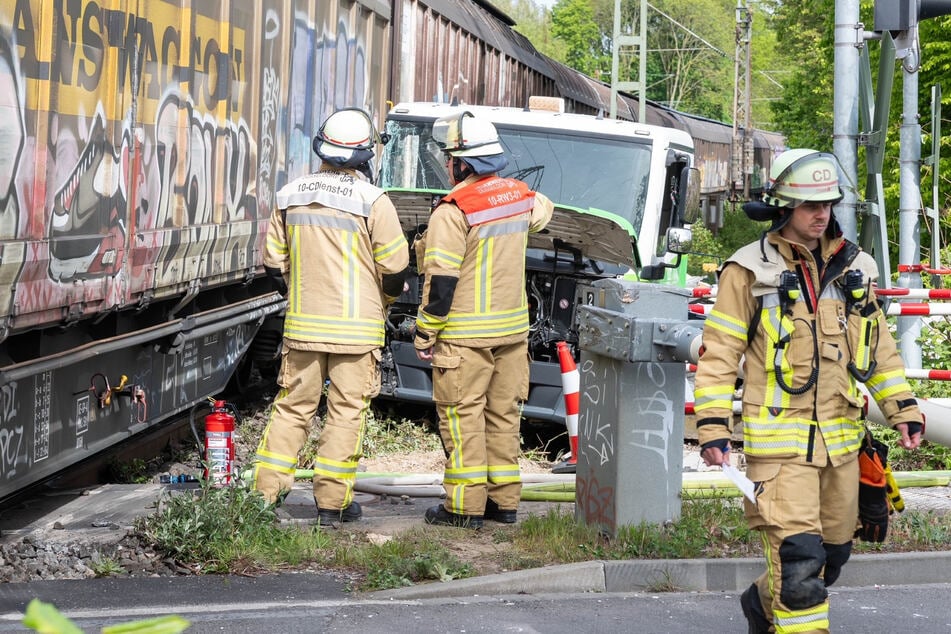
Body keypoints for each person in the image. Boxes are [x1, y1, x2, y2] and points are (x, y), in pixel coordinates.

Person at [693, 149, 924, 634]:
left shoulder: (856, 268)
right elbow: (718, 354)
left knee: (831, 557)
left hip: (840, 448)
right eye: (809, 205)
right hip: (779, 452)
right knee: (799, 565)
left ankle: (761, 604)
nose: (821, 214)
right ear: (782, 207)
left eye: (828, 204)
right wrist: (713, 428)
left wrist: (902, 409)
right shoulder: (748, 271)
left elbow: (877, 349)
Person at [251, 107, 409, 525]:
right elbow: (395, 271)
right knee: (345, 414)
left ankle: (263, 499)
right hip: (357, 336)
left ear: (322, 147)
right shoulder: (374, 202)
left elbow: (272, 264)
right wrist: (385, 303)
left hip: (303, 329)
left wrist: (299, 295)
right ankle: (332, 506)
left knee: (290, 410)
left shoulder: (290, 195)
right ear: (364, 155)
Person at [413, 111, 553, 529]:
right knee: (504, 418)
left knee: (462, 419)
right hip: (512, 334)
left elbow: (440, 283)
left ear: (461, 163)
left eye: (450, 159)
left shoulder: (452, 211)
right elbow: (543, 211)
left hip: (464, 338)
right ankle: (504, 503)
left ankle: (463, 507)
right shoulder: (521, 196)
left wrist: (424, 334)